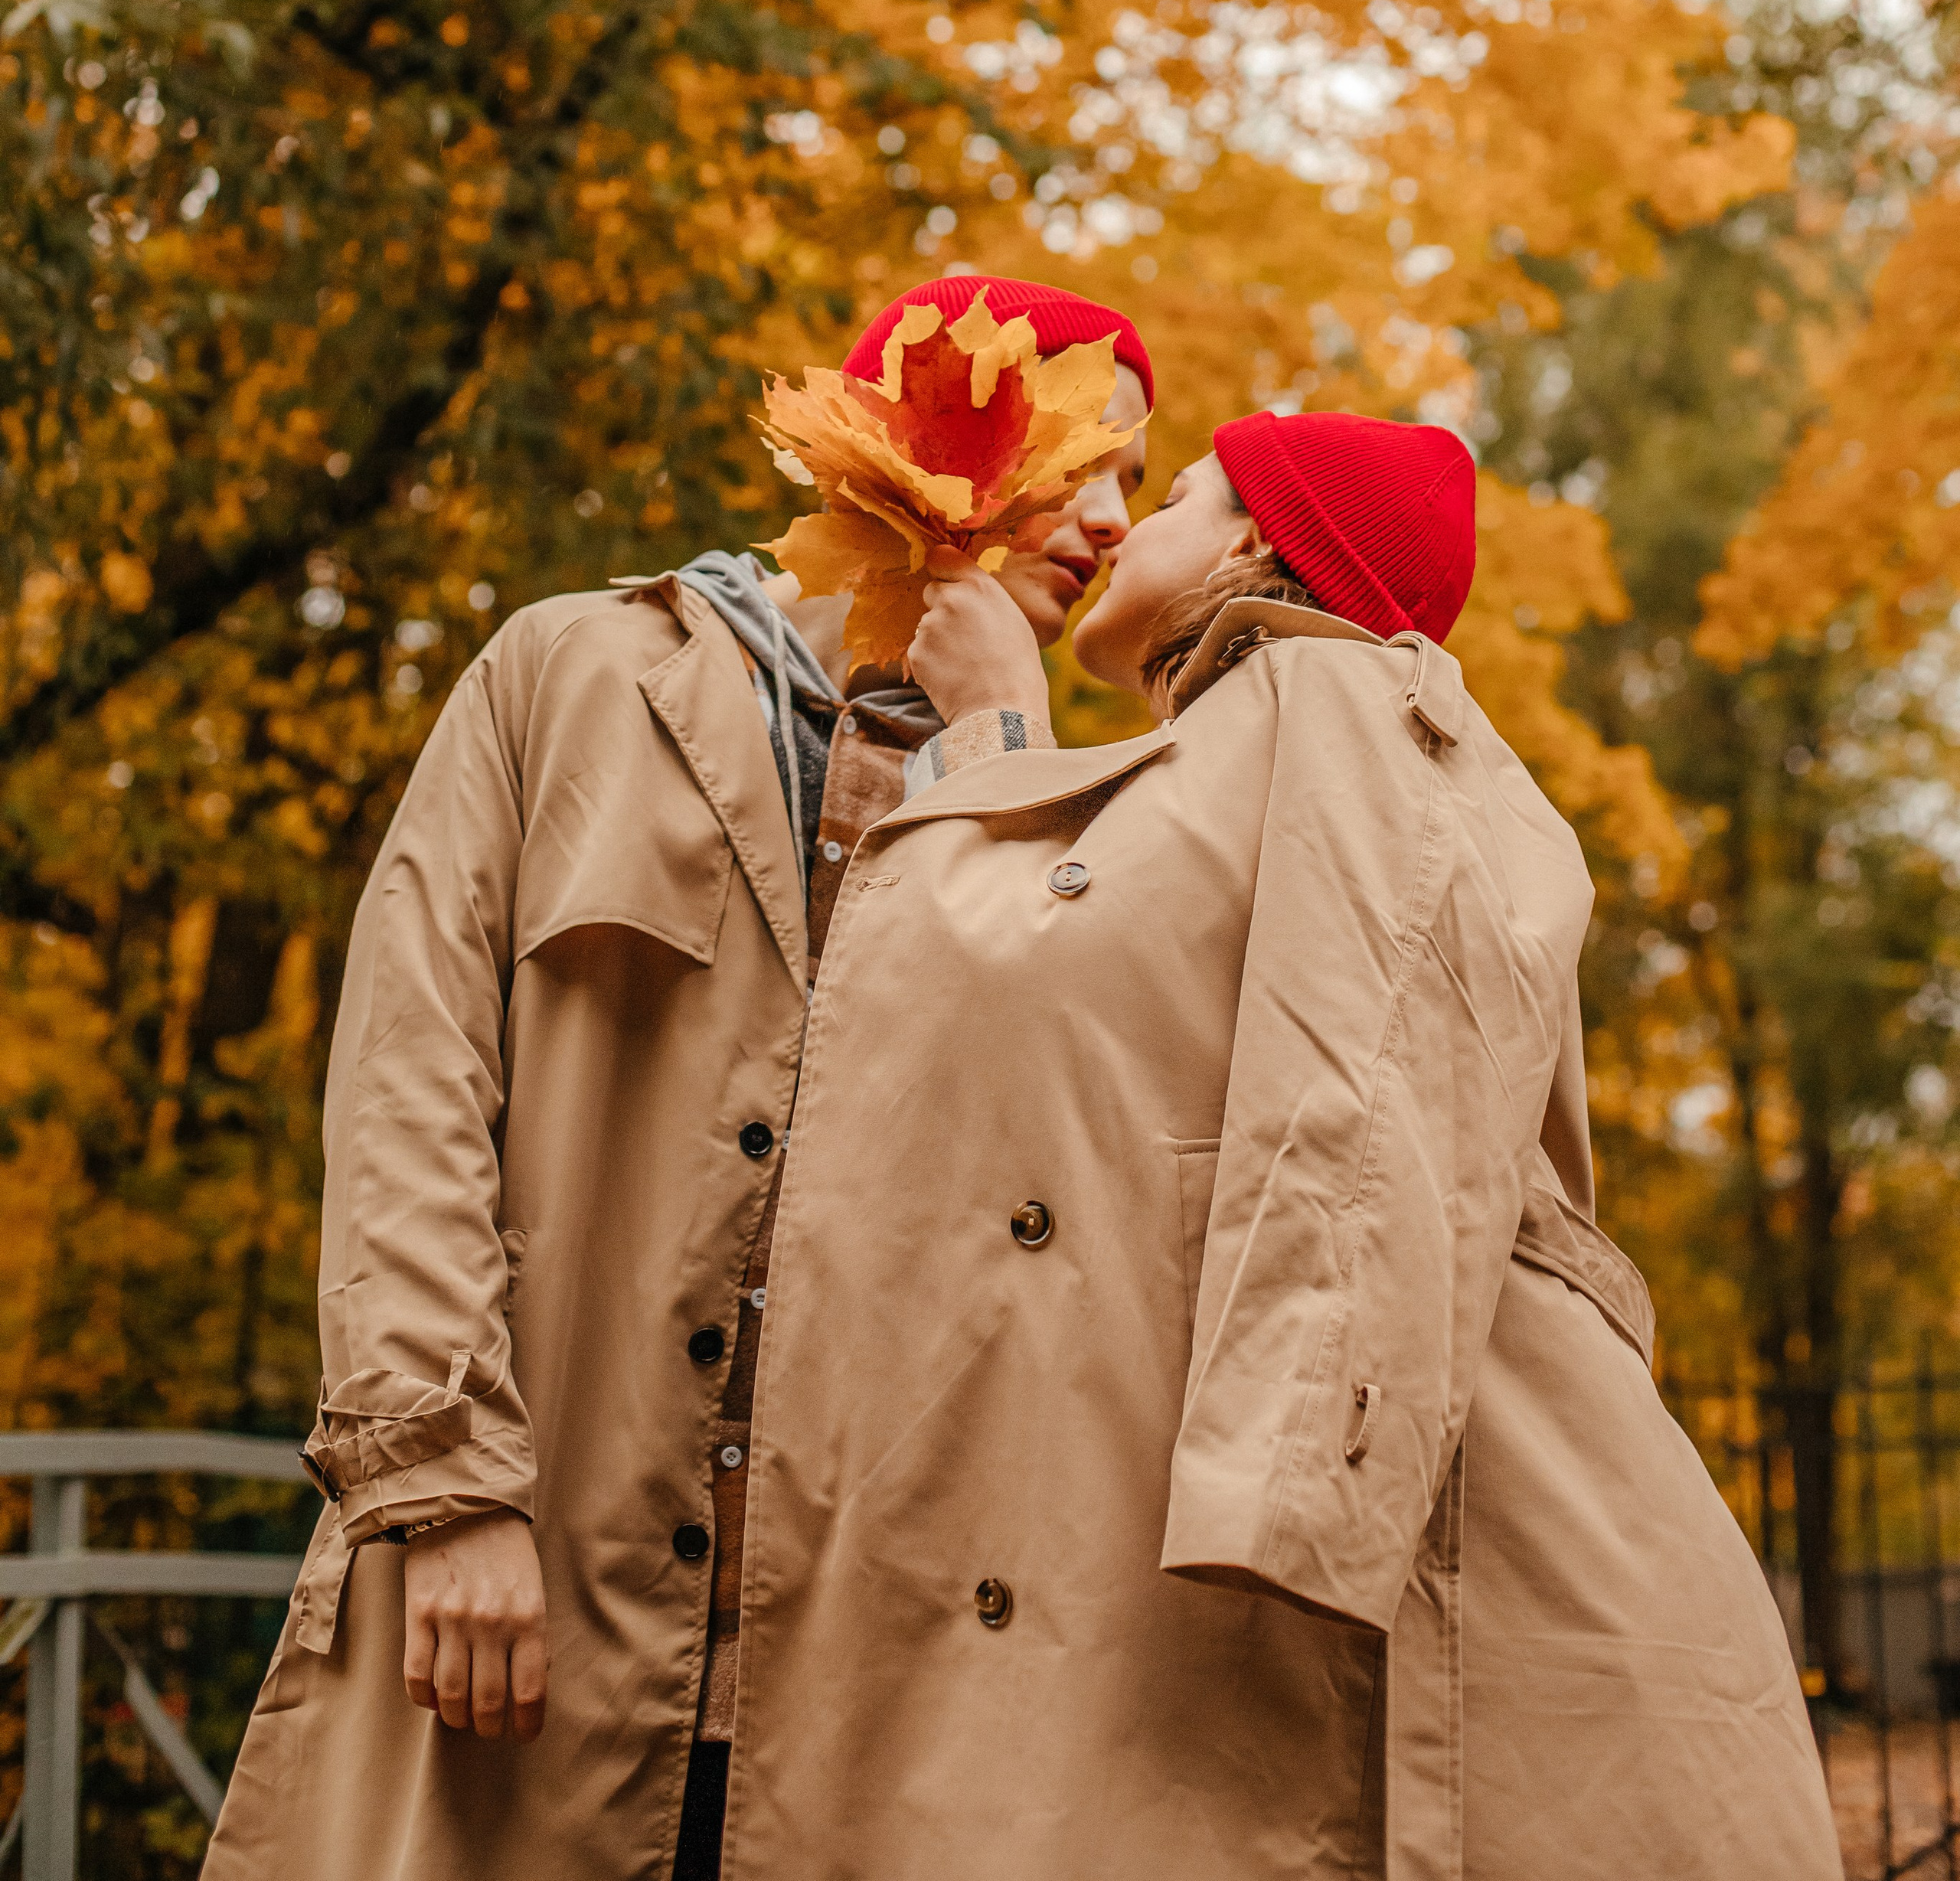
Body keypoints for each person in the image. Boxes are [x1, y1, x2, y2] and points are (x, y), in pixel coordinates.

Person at [715, 411, 1842, 1880]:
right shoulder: (1227, 750)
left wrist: (996, 732)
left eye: (1172, 493)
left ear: (1259, 544)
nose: (1122, 525)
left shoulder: (1356, 706)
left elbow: (1350, 1091)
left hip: (1343, 1567)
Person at [201, 273, 1152, 1881]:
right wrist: (446, 1497)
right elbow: (410, 1096)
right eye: (1095, 461)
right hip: (531, 1602)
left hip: (870, 1692)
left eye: (1143, 481)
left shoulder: (1073, 807)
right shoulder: (564, 676)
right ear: (946, 432)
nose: (1121, 522)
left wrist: (1011, 771)